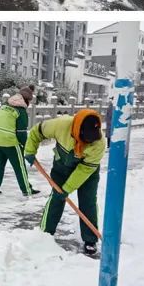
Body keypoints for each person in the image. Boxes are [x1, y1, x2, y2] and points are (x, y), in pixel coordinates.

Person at [24, 109, 105, 256]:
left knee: (88, 201)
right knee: (56, 198)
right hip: (62, 165)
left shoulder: (99, 143)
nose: (88, 143)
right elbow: (37, 131)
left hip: (87, 172)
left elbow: (85, 170)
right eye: (85, 140)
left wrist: (67, 188)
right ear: (77, 130)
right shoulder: (61, 125)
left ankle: (90, 240)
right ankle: (45, 234)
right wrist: (30, 150)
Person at [0, 85, 39, 197]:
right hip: (10, 141)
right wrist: (26, 146)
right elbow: (21, 132)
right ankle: (27, 190)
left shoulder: (3, 106)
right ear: (26, 100)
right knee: (20, 166)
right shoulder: (20, 111)